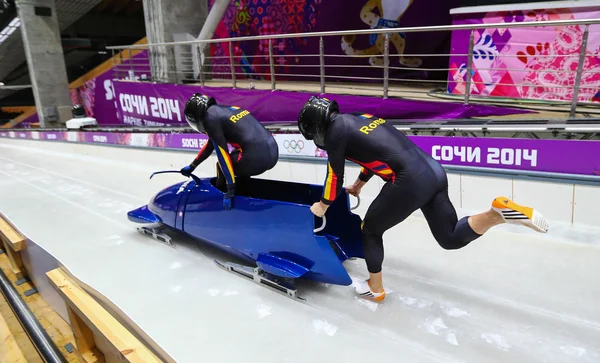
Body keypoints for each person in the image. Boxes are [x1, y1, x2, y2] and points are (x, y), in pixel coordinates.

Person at [297, 96, 549, 302]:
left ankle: (375, 288)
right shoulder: (361, 118)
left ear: (316, 127)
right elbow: (375, 153)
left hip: (408, 180)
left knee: (371, 230)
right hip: (433, 171)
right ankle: (495, 214)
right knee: (449, 237)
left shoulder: (334, 134)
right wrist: (360, 184)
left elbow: (334, 176)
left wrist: (323, 205)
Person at [181, 93, 279, 210]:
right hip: (273, 151)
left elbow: (222, 154)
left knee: (221, 166)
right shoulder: (223, 111)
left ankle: (220, 202)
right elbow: (210, 145)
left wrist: (230, 189)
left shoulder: (210, 120)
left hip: (256, 157)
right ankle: (245, 195)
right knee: (237, 157)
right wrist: (192, 166)